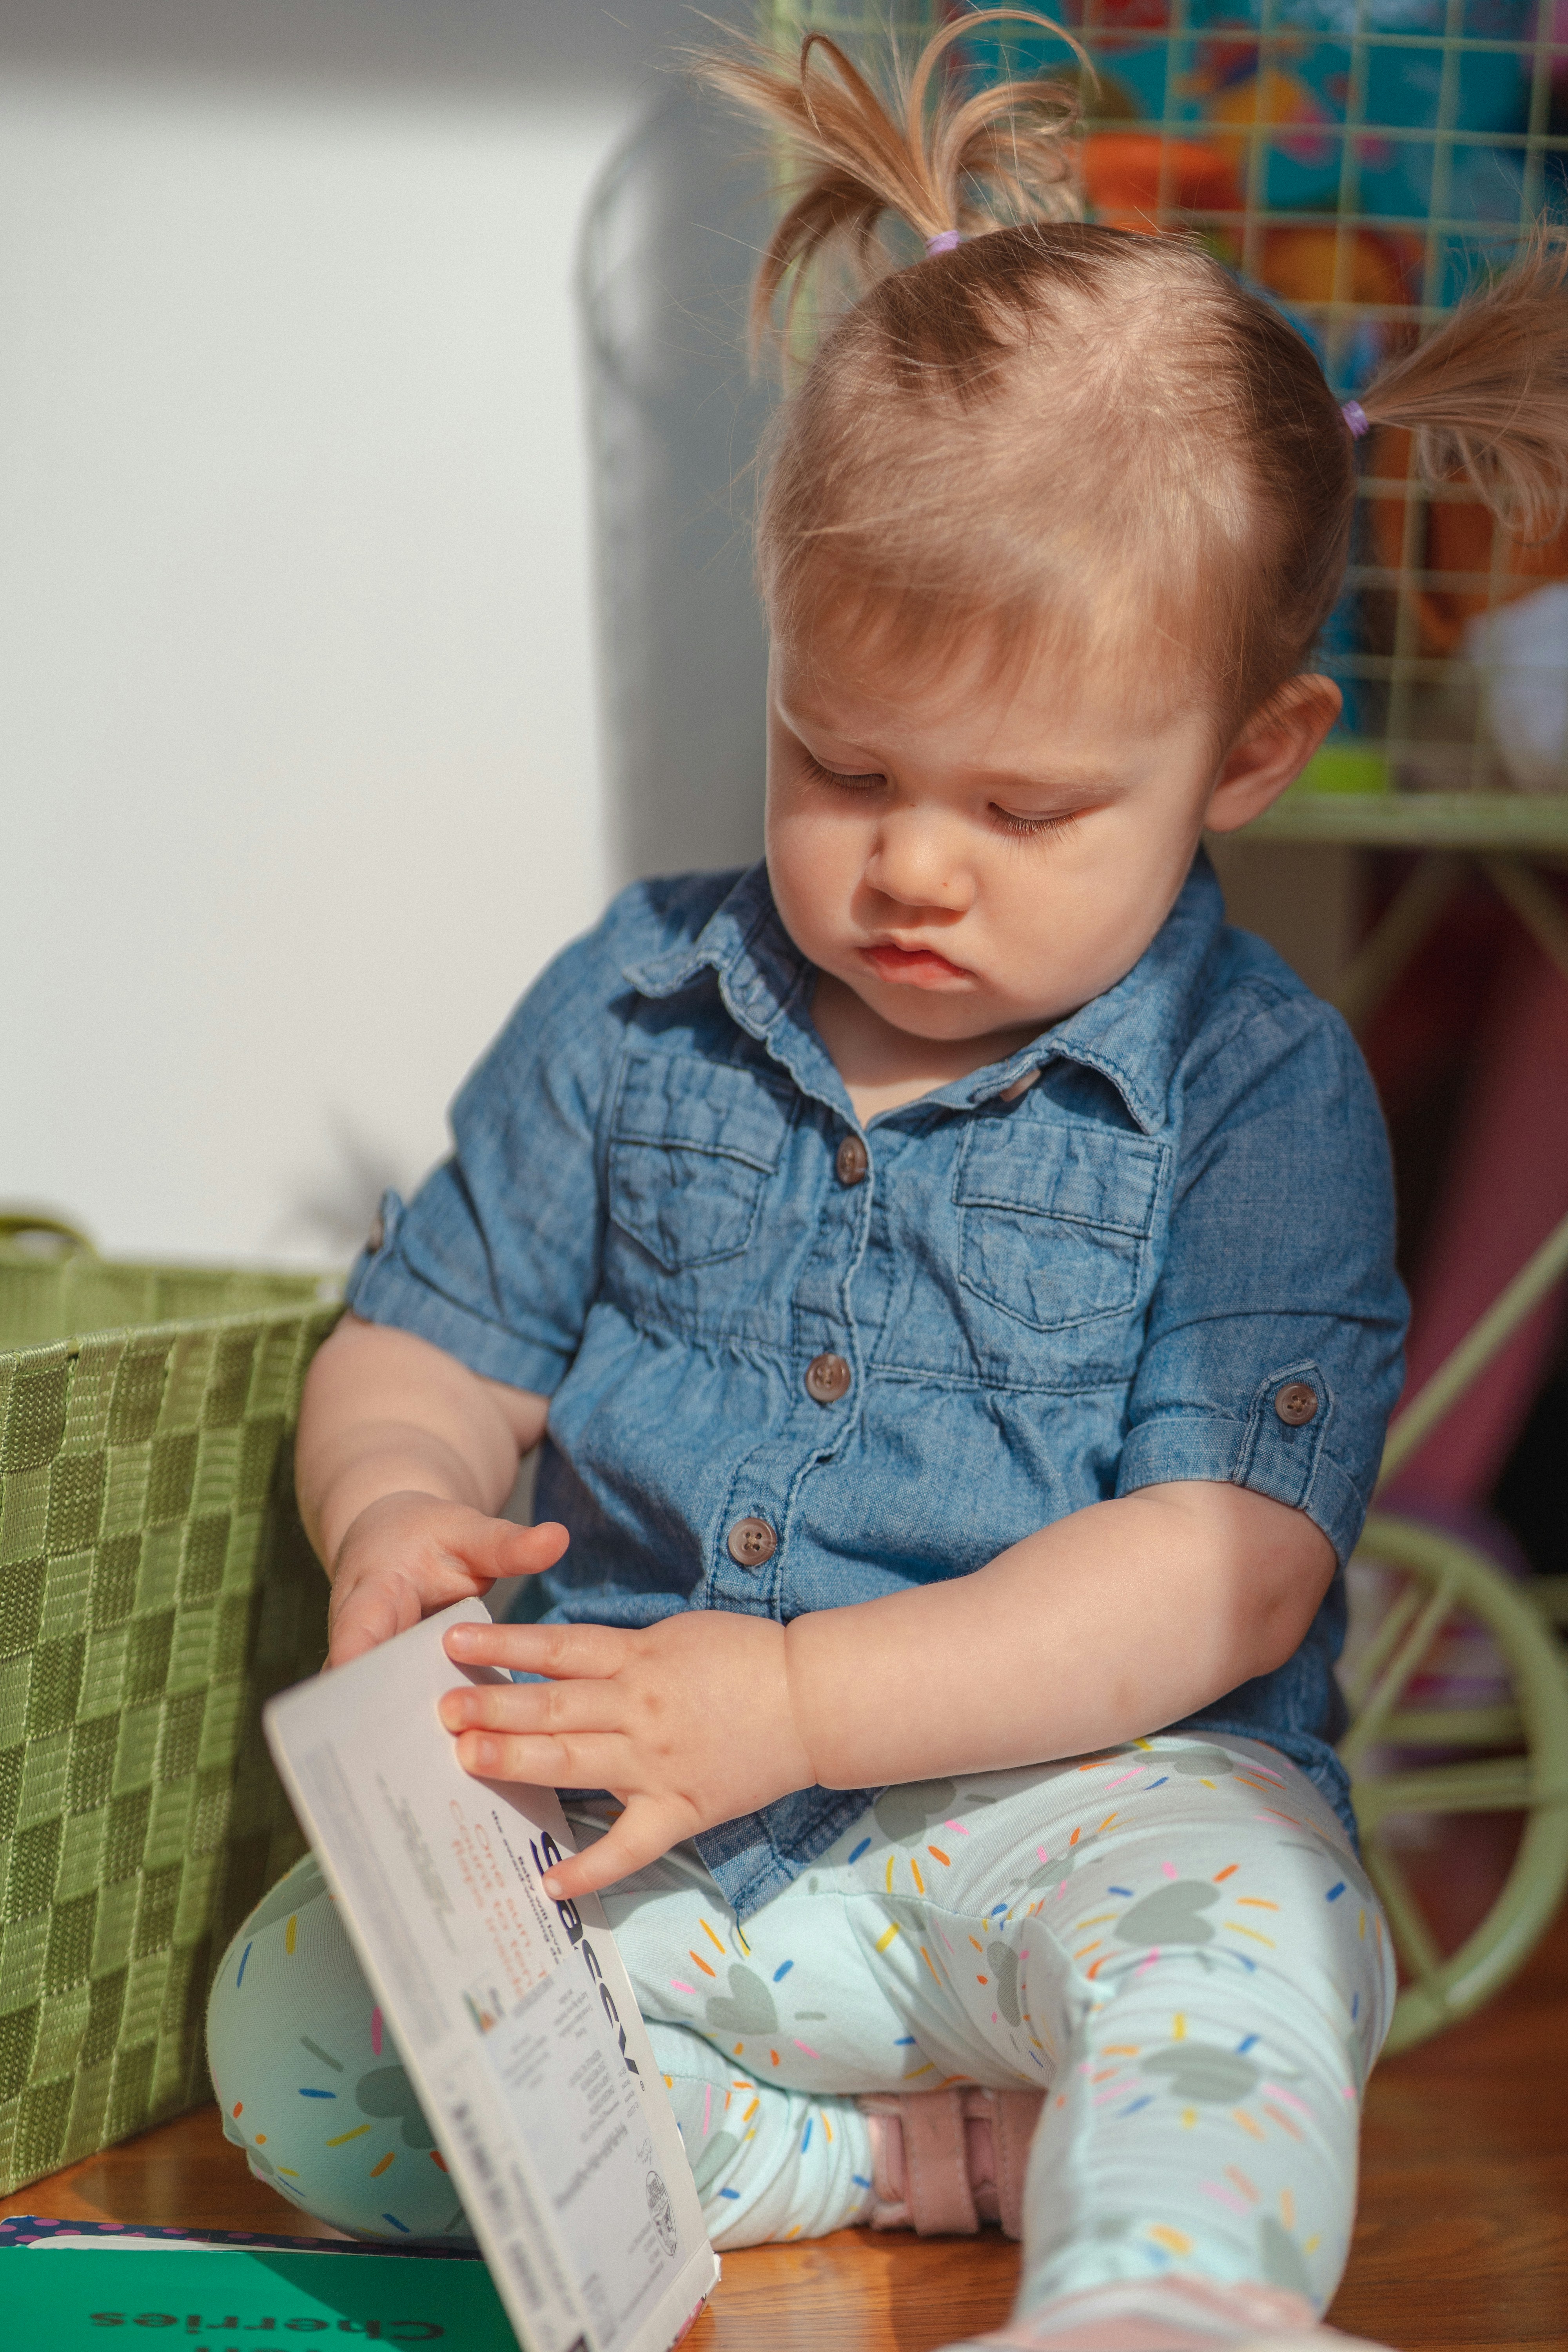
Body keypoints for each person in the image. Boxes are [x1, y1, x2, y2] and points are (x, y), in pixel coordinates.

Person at [206, 13, 1568, 2347]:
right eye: (842, 761)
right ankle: (868, 2164)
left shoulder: (1259, 1089)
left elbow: (1226, 1568)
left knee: (1247, 1957)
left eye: (1026, 810)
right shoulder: (631, 1007)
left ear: (1247, 758)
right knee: (301, 2039)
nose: (913, 868)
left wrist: (810, 1701)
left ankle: (1154, 2298)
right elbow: (429, 1335)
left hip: (1071, 1828)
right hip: (672, 1838)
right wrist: (397, 1502)